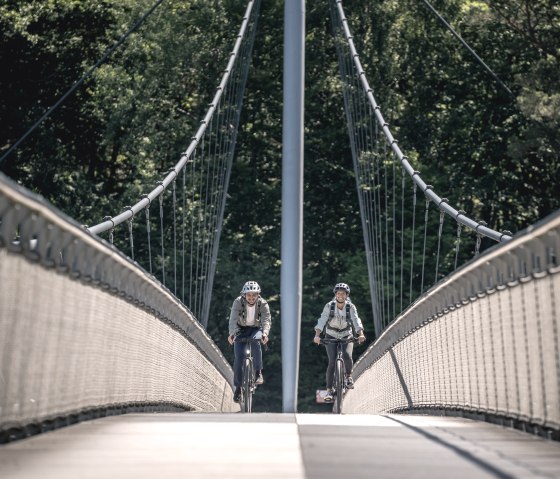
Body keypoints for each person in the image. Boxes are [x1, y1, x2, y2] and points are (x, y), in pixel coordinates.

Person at [313, 282, 365, 402]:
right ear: (335, 294)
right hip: (331, 334)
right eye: (338, 293)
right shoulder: (329, 306)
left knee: (347, 355)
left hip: (346, 334)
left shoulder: (350, 307)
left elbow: (356, 320)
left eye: (343, 293)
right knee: (332, 362)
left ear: (347, 295)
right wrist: (317, 335)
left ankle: (348, 377)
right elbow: (322, 320)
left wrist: (360, 334)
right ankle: (329, 390)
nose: (340, 295)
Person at [228, 280, 271, 403]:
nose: (251, 298)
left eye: (254, 295)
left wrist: (265, 333)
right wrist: (232, 334)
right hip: (240, 329)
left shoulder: (263, 304)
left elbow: (266, 319)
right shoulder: (238, 302)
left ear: (258, 295)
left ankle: (258, 372)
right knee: (239, 358)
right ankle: (238, 388)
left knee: (256, 341)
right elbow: (233, 319)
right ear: (244, 295)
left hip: (256, 329)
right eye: (249, 295)